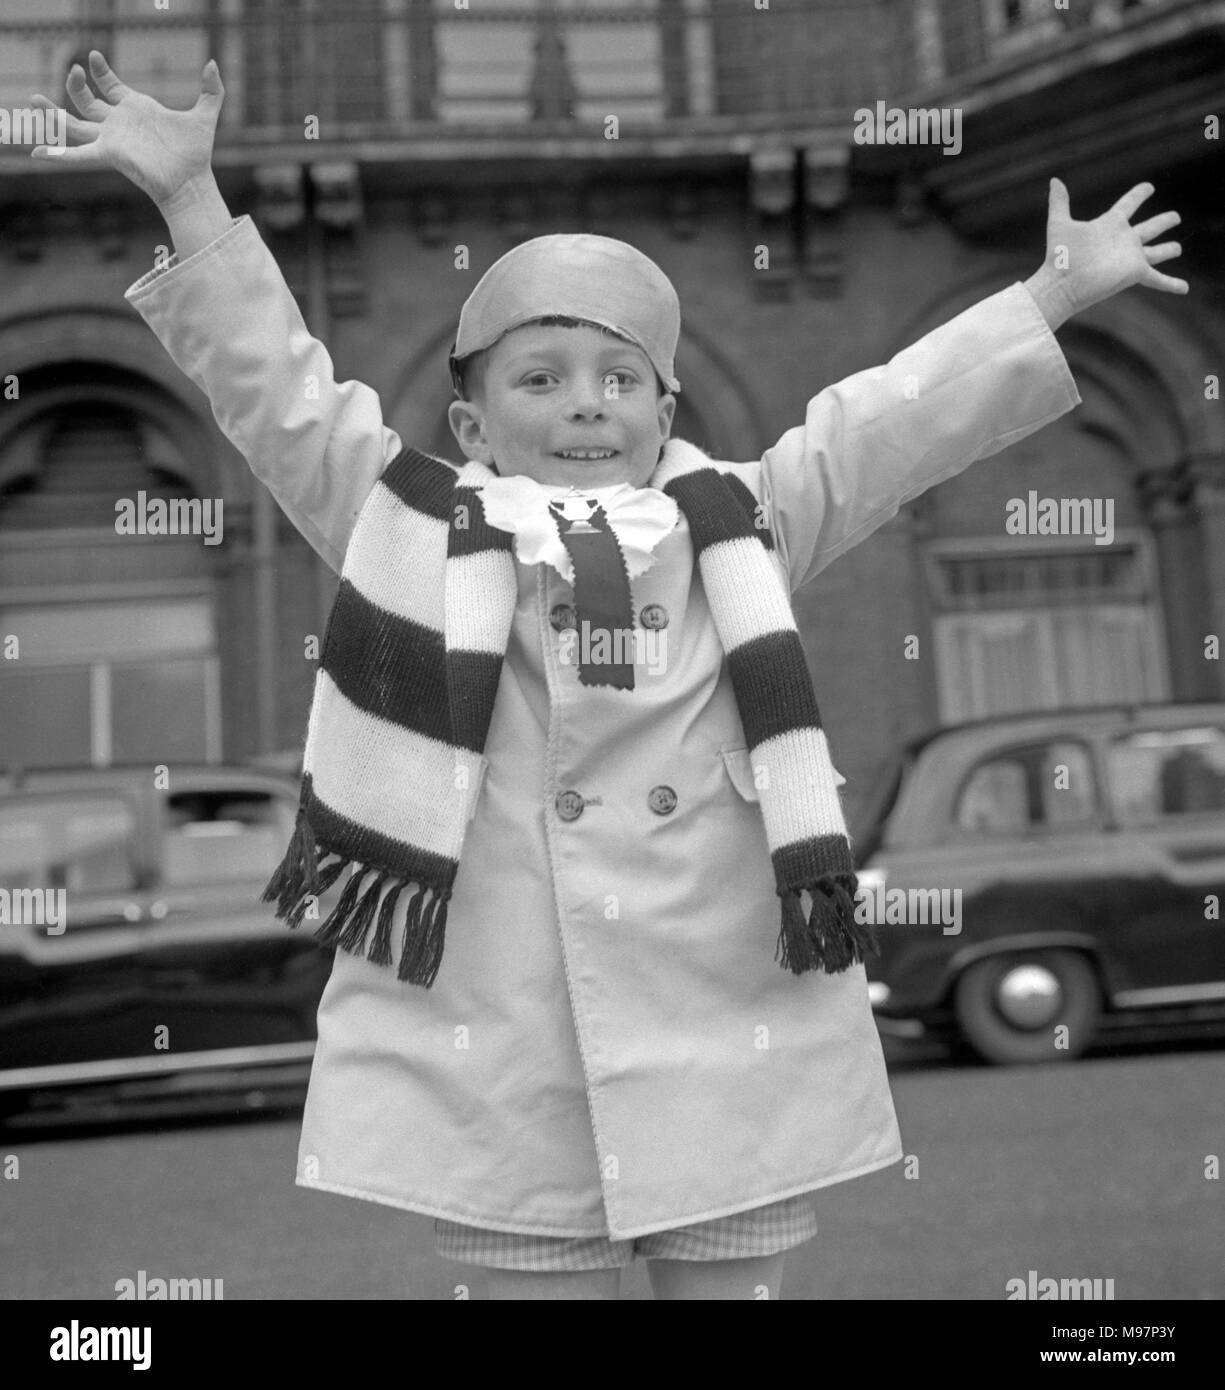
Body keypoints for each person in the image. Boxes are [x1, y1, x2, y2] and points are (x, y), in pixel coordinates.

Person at [31, 53, 1187, 1301]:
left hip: (723, 1028)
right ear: (472, 426)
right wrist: (191, 198)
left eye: (618, 378)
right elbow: (283, 397)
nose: (586, 405)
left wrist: (1051, 295)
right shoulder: (404, 519)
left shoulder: (742, 518)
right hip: (510, 1054)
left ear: (663, 404)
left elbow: (882, 426)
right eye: (540, 378)